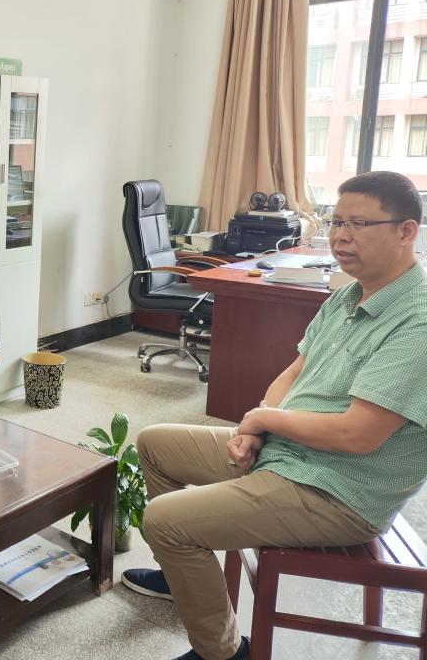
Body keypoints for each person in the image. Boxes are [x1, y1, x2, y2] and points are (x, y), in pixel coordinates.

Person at [122, 171, 427, 660]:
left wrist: (261, 423)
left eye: (359, 224)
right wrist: (260, 423)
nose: (341, 236)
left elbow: (358, 435)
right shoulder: (349, 294)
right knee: (155, 443)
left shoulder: (417, 321)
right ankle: (182, 575)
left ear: (406, 231)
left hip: (339, 490)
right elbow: (295, 371)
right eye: (336, 222)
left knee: (165, 520)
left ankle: (223, 653)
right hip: (291, 453)